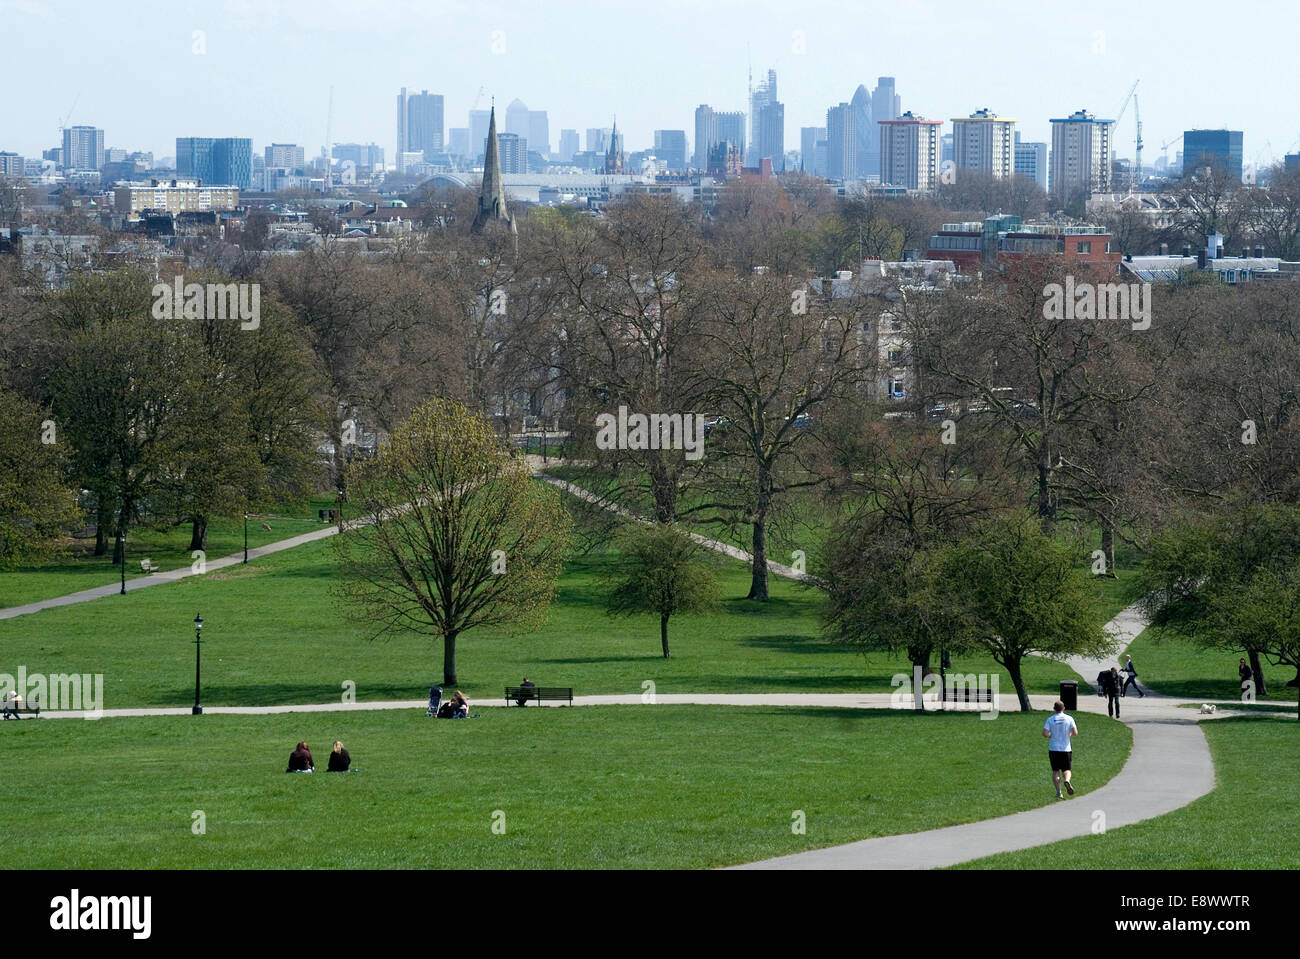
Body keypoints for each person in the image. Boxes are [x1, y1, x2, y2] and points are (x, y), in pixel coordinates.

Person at [1041, 700, 1078, 798]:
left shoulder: (1050, 719)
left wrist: (1051, 736)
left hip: (1053, 749)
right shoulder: (1069, 718)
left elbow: (1045, 733)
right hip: (1066, 749)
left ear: (1054, 709)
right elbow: (1075, 733)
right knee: (1067, 769)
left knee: (1055, 771)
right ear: (1063, 708)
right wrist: (1068, 735)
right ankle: (1067, 781)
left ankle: (1059, 792)